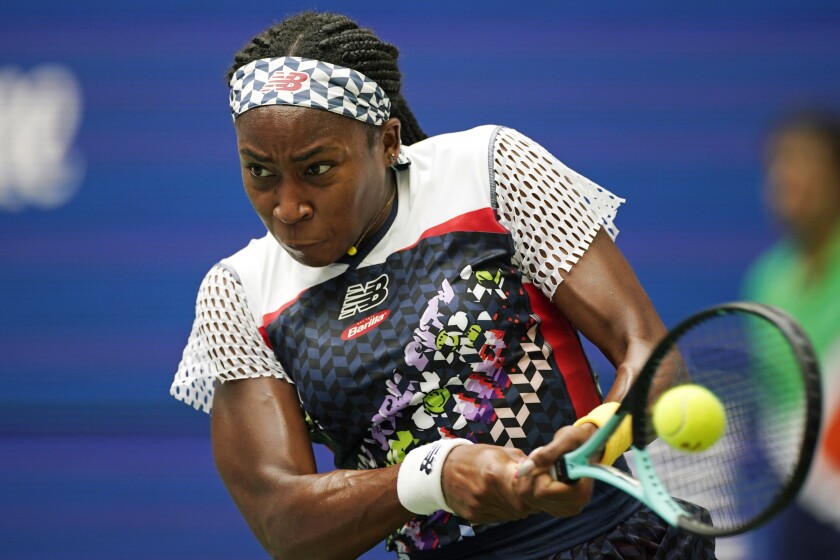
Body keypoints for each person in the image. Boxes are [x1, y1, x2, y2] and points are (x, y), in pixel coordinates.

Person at [170, 11, 714, 560]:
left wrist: (599, 438)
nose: (288, 208)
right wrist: (431, 476)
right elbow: (281, 522)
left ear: (386, 142)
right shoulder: (237, 293)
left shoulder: (488, 169)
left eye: (317, 169)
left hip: (617, 543)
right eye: (259, 171)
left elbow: (650, 351)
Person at [742, 110, 840, 559]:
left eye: (802, 160)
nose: (785, 175)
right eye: (777, 163)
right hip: (809, 497)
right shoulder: (767, 279)